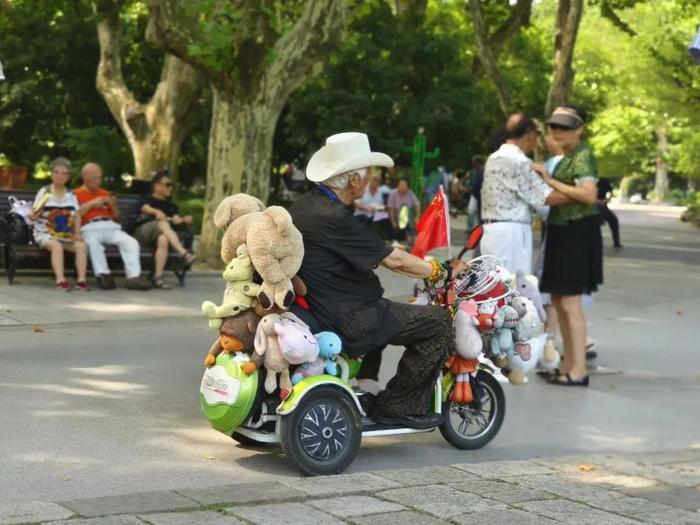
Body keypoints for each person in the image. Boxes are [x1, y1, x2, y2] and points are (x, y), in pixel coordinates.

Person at [290, 132, 467, 429]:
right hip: (351, 315)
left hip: (326, 306)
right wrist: (442, 271)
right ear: (353, 180)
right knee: (437, 322)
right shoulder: (334, 216)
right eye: (367, 172)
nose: (372, 177)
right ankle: (399, 406)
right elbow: (394, 260)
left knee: (394, 313)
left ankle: (368, 387)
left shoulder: (305, 206)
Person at [540, 104, 602, 387]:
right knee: (558, 300)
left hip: (576, 233)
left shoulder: (583, 155)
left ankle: (579, 370)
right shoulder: (568, 156)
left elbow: (589, 195)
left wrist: (552, 183)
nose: (557, 131)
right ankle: (568, 363)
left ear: (579, 129)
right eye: (554, 126)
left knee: (570, 302)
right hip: (561, 231)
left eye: (564, 127)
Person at [479, 113, 569, 274]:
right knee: (514, 286)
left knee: (496, 287)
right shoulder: (518, 160)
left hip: (493, 230)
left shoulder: (495, 157)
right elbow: (545, 197)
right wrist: (578, 196)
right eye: (538, 134)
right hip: (511, 233)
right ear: (529, 134)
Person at [74, 163, 151, 290]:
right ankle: (103, 275)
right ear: (85, 177)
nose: (99, 181)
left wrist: (114, 205)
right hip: (89, 227)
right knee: (93, 243)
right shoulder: (75, 194)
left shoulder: (105, 193)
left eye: (100, 177)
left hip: (110, 226)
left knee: (131, 242)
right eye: (95, 178)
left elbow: (116, 217)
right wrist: (91, 204)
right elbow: (74, 215)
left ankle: (133, 277)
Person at [28, 157, 89, 291]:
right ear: (52, 174)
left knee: (81, 246)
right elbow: (35, 213)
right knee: (56, 246)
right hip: (45, 233)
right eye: (57, 172)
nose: (60, 175)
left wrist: (77, 233)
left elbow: (77, 214)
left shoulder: (71, 194)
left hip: (65, 234)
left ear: (68, 177)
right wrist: (33, 216)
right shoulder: (45, 192)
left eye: (64, 173)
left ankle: (81, 280)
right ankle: (60, 280)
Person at [133, 170, 195, 289]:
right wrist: (156, 211)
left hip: (160, 235)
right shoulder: (146, 198)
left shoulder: (171, 205)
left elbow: (176, 220)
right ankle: (184, 253)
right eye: (167, 184)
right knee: (162, 222)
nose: (170, 188)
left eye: (171, 185)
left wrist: (184, 220)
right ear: (156, 185)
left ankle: (157, 278)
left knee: (163, 239)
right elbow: (145, 208)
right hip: (142, 233)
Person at [354, 172, 392, 239]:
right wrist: (366, 208)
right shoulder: (363, 190)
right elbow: (354, 204)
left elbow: (380, 206)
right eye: (374, 180)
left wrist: (380, 208)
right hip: (361, 215)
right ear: (369, 181)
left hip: (375, 216)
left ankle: (389, 240)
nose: (375, 182)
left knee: (386, 219)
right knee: (365, 220)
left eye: (377, 181)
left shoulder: (379, 192)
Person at [388, 178, 420, 246]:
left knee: (407, 209)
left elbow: (417, 205)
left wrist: (417, 217)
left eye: (404, 185)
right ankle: (402, 240)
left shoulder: (410, 193)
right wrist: (393, 221)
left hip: (409, 217)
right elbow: (391, 209)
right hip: (398, 217)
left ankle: (411, 239)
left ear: (407, 187)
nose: (402, 186)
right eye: (401, 184)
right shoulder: (393, 193)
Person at [597, 177, 622, 248]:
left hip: (603, 205)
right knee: (597, 223)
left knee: (614, 220)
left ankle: (616, 242)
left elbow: (610, 192)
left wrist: (607, 199)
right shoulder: (589, 180)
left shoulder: (604, 180)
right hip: (593, 205)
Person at [466, 155, 485, 230]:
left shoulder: (483, 170)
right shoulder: (473, 171)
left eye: (474, 161)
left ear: (477, 162)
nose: (472, 163)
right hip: (474, 194)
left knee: (480, 214)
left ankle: (479, 229)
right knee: (471, 211)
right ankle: (469, 229)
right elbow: (471, 181)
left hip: (481, 195)